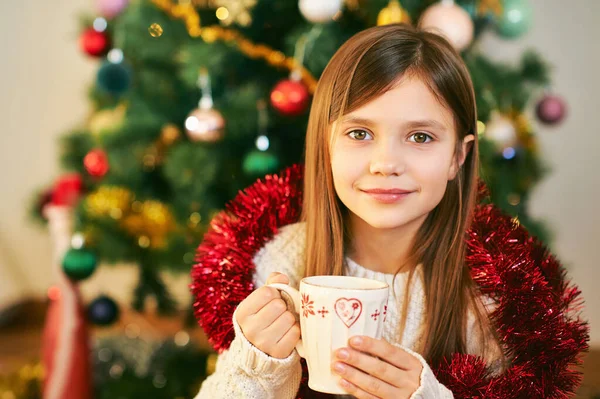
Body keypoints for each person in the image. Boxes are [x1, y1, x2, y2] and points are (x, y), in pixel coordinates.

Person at [191, 24, 588, 399]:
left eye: (420, 137)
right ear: (326, 146)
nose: (386, 163)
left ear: (458, 157)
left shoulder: (491, 301)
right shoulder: (276, 263)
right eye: (360, 133)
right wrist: (257, 368)